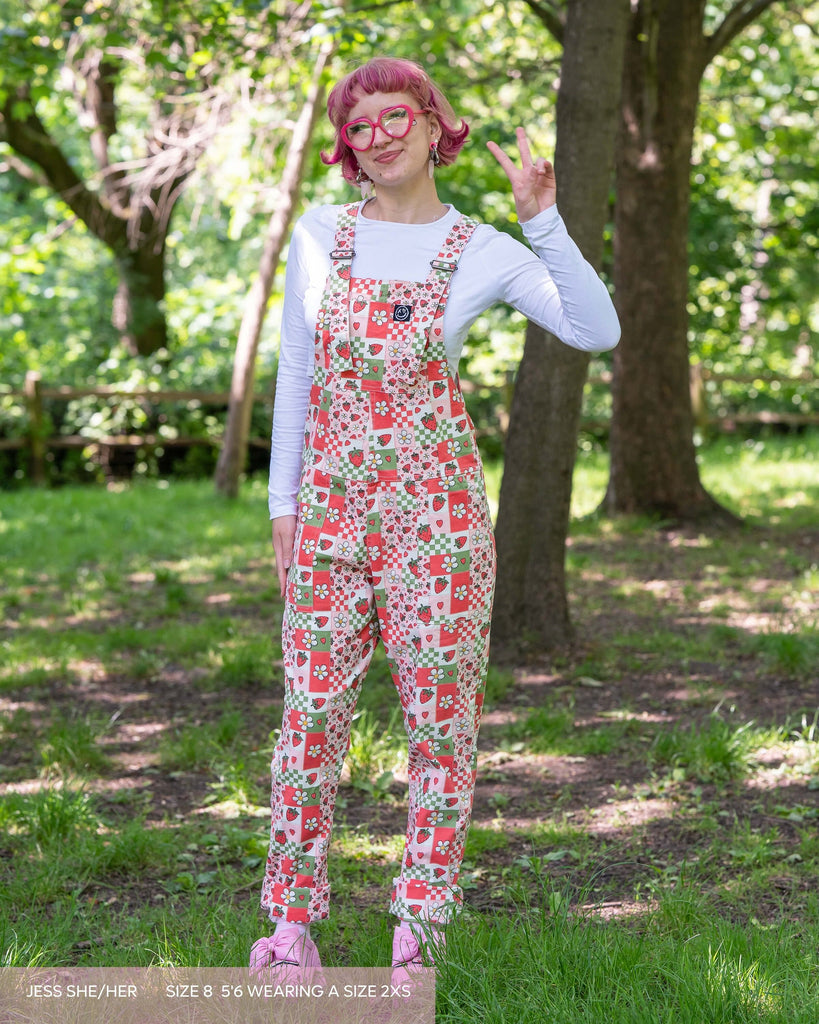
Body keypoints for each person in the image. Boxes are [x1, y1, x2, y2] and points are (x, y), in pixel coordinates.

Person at [250, 56, 619, 985]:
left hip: (440, 524)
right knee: (310, 719)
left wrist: (542, 215)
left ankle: (419, 933)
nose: (377, 136)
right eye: (359, 125)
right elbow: (296, 373)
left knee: (441, 728)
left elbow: (595, 328)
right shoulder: (317, 238)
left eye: (393, 116)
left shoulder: (483, 248)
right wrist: (282, 509)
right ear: (348, 147)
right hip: (329, 516)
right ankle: (290, 928)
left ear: (431, 123)